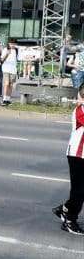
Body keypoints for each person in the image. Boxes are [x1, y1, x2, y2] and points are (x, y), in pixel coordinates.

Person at [55, 82, 84, 236]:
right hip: (77, 155)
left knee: (80, 190)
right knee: (79, 190)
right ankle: (69, 220)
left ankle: (66, 208)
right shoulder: (80, 111)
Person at [0, 39, 18, 105]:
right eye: (11, 44)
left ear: (16, 44)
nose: (12, 45)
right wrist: (7, 54)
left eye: (13, 44)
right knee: (6, 84)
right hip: (6, 69)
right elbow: (2, 60)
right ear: (8, 44)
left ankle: (8, 99)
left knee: (11, 85)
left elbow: (19, 58)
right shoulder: (5, 49)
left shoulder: (16, 50)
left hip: (13, 70)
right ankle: (4, 99)